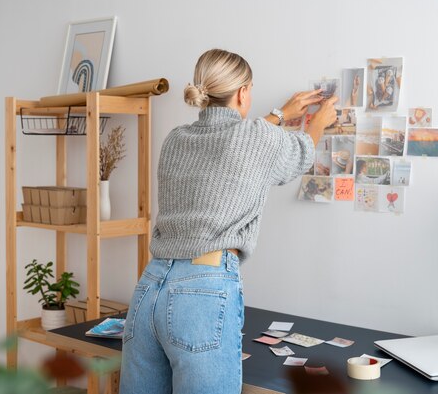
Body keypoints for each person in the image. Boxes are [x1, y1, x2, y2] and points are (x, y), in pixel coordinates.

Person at [119, 48, 337, 394]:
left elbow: (233, 143)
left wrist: (280, 113)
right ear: (243, 93)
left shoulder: (176, 139)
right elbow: (300, 154)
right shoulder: (257, 138)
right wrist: (319, 123)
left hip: (150, 286)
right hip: (202, 291)